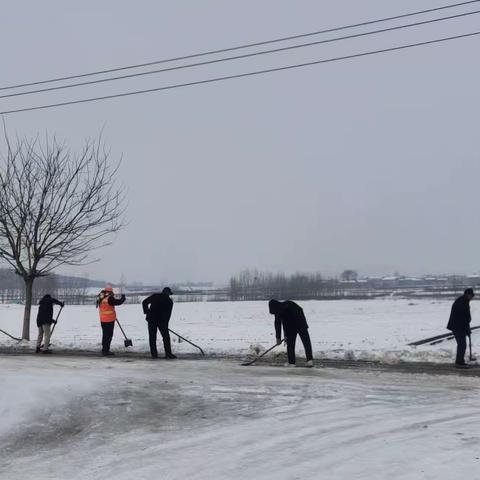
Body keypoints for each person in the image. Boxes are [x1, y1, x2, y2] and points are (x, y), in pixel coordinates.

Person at [268, 299, 314, 367]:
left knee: (291, 344)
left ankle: (292, 363)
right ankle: (310, 360)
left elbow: (278, 324)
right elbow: (300, 310)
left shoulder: (278, 310)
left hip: (293, 326)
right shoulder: (289, 303)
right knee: (306, 342)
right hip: (301, 323)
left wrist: (278, 338)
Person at [142, 287, 176, 359]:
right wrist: (165, 324)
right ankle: (168, 354)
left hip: (152, 320)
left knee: (152, 338)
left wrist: (147, 312)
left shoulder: (155, 296)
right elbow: (168, 315)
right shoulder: (169, 301)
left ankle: (154, 355)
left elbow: (144, 302)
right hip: (161, 322)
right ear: (169, 294)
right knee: (166, 337)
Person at [447, 288, 474, 368]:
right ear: (467, 294)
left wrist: (467, 329)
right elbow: (462, 318)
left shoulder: (464, 301)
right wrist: (466, 329)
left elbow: (465, 318)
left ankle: (460, 361)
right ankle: (459, 363)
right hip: (457, 327)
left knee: (462, 344)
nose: (472, 297)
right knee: (462, 344)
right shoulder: (461, 302)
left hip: (460, 326)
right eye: (471, 295)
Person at [96, 287, 126, 356]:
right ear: (110, 292)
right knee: (108, 336)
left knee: (105, 335)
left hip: (103, 320)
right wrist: (123, 298)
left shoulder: (100, 297)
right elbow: (118, 302)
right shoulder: (109, 298)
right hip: (109, 320)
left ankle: (104, 350)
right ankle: (106, 351)